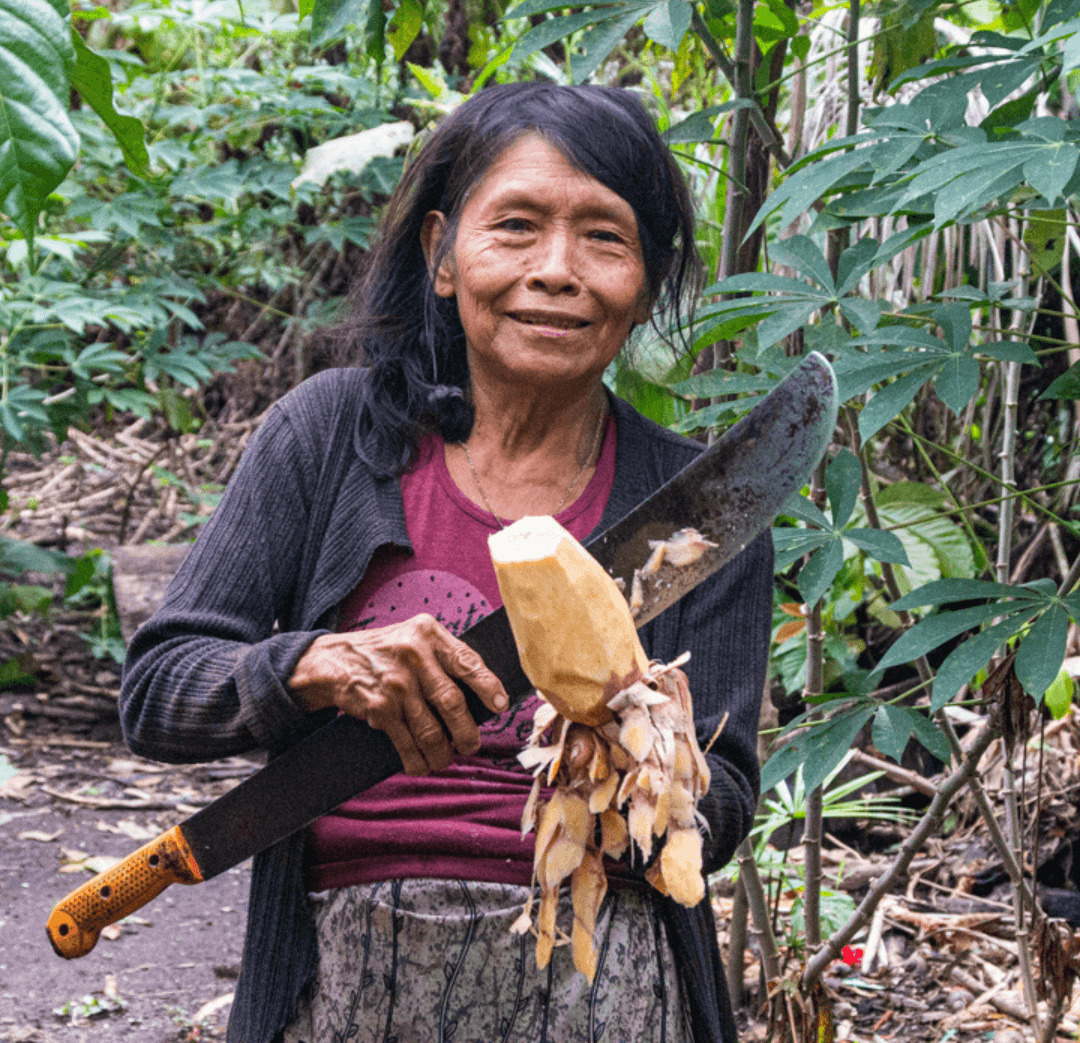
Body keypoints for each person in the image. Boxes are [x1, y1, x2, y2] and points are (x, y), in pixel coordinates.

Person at [120, 82, 773, 1043]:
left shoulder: (694, 507)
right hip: (341, 966)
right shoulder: (331, 435)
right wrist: (313, 667)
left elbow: (727, 804)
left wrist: (641, 774)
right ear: (441, 256)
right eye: (514, 226)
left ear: (648, 282)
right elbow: (158, 695)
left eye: (605, 237)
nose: (557, 270)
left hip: (601, 968)